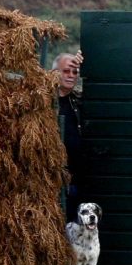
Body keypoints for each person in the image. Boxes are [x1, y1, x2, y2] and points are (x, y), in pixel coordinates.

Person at [52, 51, 87, 210]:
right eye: (66, 71)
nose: (71, 75)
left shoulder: (78, 101)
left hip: (77, 180)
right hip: (52, 182)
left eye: (75, 72)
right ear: (54, 73)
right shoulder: (43, 102)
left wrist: (87, 58)